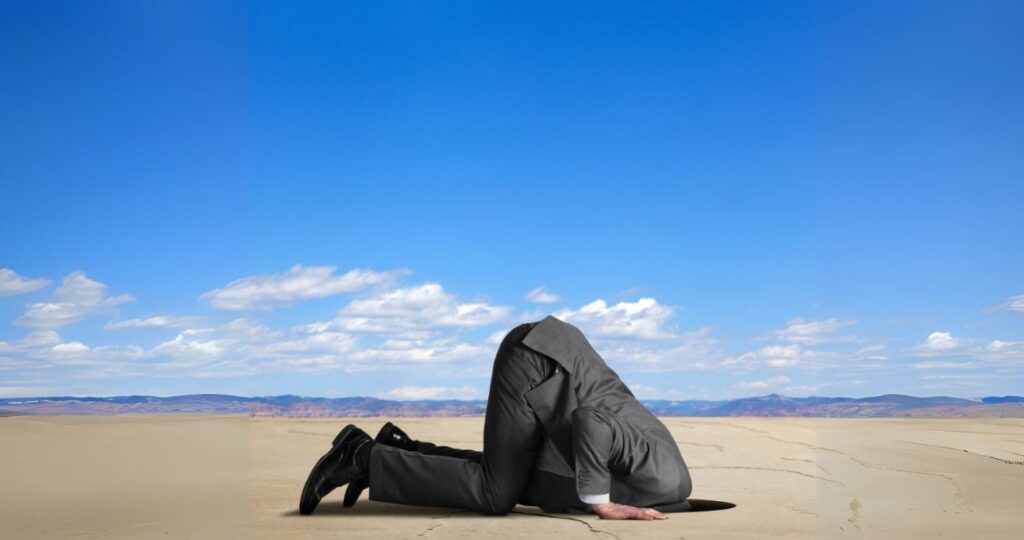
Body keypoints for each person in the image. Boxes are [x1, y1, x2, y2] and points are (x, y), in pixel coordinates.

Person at [299, 315, 693, 520]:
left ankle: (398, 449)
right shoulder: (663, 475)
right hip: (540, 360)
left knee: (511, 478)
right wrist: (600, 503)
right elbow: (592, 421)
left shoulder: (660, 489)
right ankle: (361, 457)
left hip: (553, 374)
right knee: (496, 493)